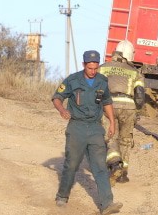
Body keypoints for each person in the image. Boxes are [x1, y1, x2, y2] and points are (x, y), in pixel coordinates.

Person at [51, 50, 122, 215]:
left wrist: (112, 122)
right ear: (84, 65)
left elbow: (107, 102)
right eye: (90, 68)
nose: (93, 71)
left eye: (96, 68)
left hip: (96, 128)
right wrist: (62, 110)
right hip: (77, 127)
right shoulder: (72, 80)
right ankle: (62, 196)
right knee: (72, 165)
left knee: (100, 166)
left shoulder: (102, 81)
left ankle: (107, 204)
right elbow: (57, 97)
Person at [99, 40, 145, 184]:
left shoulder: (103, 68)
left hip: (108, 105)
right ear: (131, 55)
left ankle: (114, 164)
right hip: (129, 107)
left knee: (110, 137)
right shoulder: (135, 72)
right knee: (125, 140)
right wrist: (136, 111)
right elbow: (140, 95)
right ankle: (123, 174)